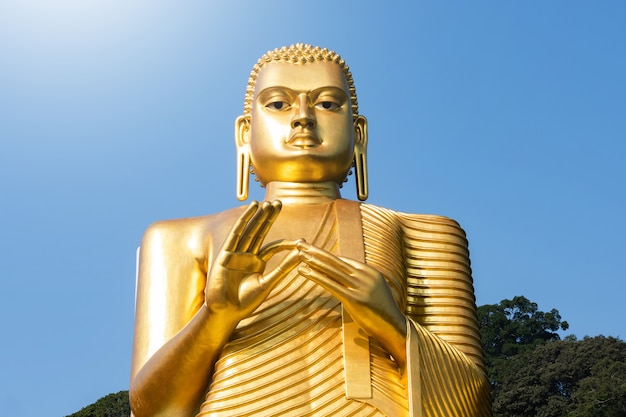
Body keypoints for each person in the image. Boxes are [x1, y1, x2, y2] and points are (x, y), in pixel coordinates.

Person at [130, 44, 491, 417]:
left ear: (359, 133)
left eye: (327, 104)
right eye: (278, 104)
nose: (303, 118)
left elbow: (473, 403)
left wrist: (392, 326)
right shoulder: (180, 237)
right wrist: (215, 317)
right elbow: (153, 409)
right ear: (244, 133)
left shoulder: (422, 232)